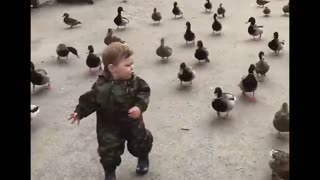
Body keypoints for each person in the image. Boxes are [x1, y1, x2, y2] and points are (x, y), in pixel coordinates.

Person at [68, 42, 153, 180]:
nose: (132, 67)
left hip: (132, 123)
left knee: (140, 142)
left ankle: (143, 157)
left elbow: (144, 92)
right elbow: (90, 100)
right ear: (112, 68)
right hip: (109, 126)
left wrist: (139, 107)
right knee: (108, 151)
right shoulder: (101, 86)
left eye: (132, 64)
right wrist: (79, 112)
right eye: (127, 65)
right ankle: (109, 172)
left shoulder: (136, 82)